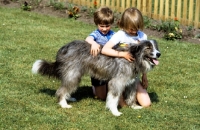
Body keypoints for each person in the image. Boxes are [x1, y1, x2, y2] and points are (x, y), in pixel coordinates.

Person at [101, 7, 151, 107]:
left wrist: (144, 76)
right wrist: (122, 54)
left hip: (134, 75)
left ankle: (130, 96)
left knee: (146, 104)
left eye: (137, 28)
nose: (134, 31)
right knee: (122, 104)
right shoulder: (120, 35)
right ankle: (107, 90)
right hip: (119, 74)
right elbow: (105, 49)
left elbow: (144, 58)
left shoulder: (142, 37)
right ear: (124, 24)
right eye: (131, 29)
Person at [85, 6, 115, 101]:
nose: (105, 29)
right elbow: (88, 39)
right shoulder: (96, 34)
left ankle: (106, 85)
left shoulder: (113, 34)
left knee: (111, 91)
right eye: (101, 26)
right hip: (98, 68)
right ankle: (95, 87)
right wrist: (93, 43)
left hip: (110, 66)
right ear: (97, 24)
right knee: (102, 97)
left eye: (107, 26)